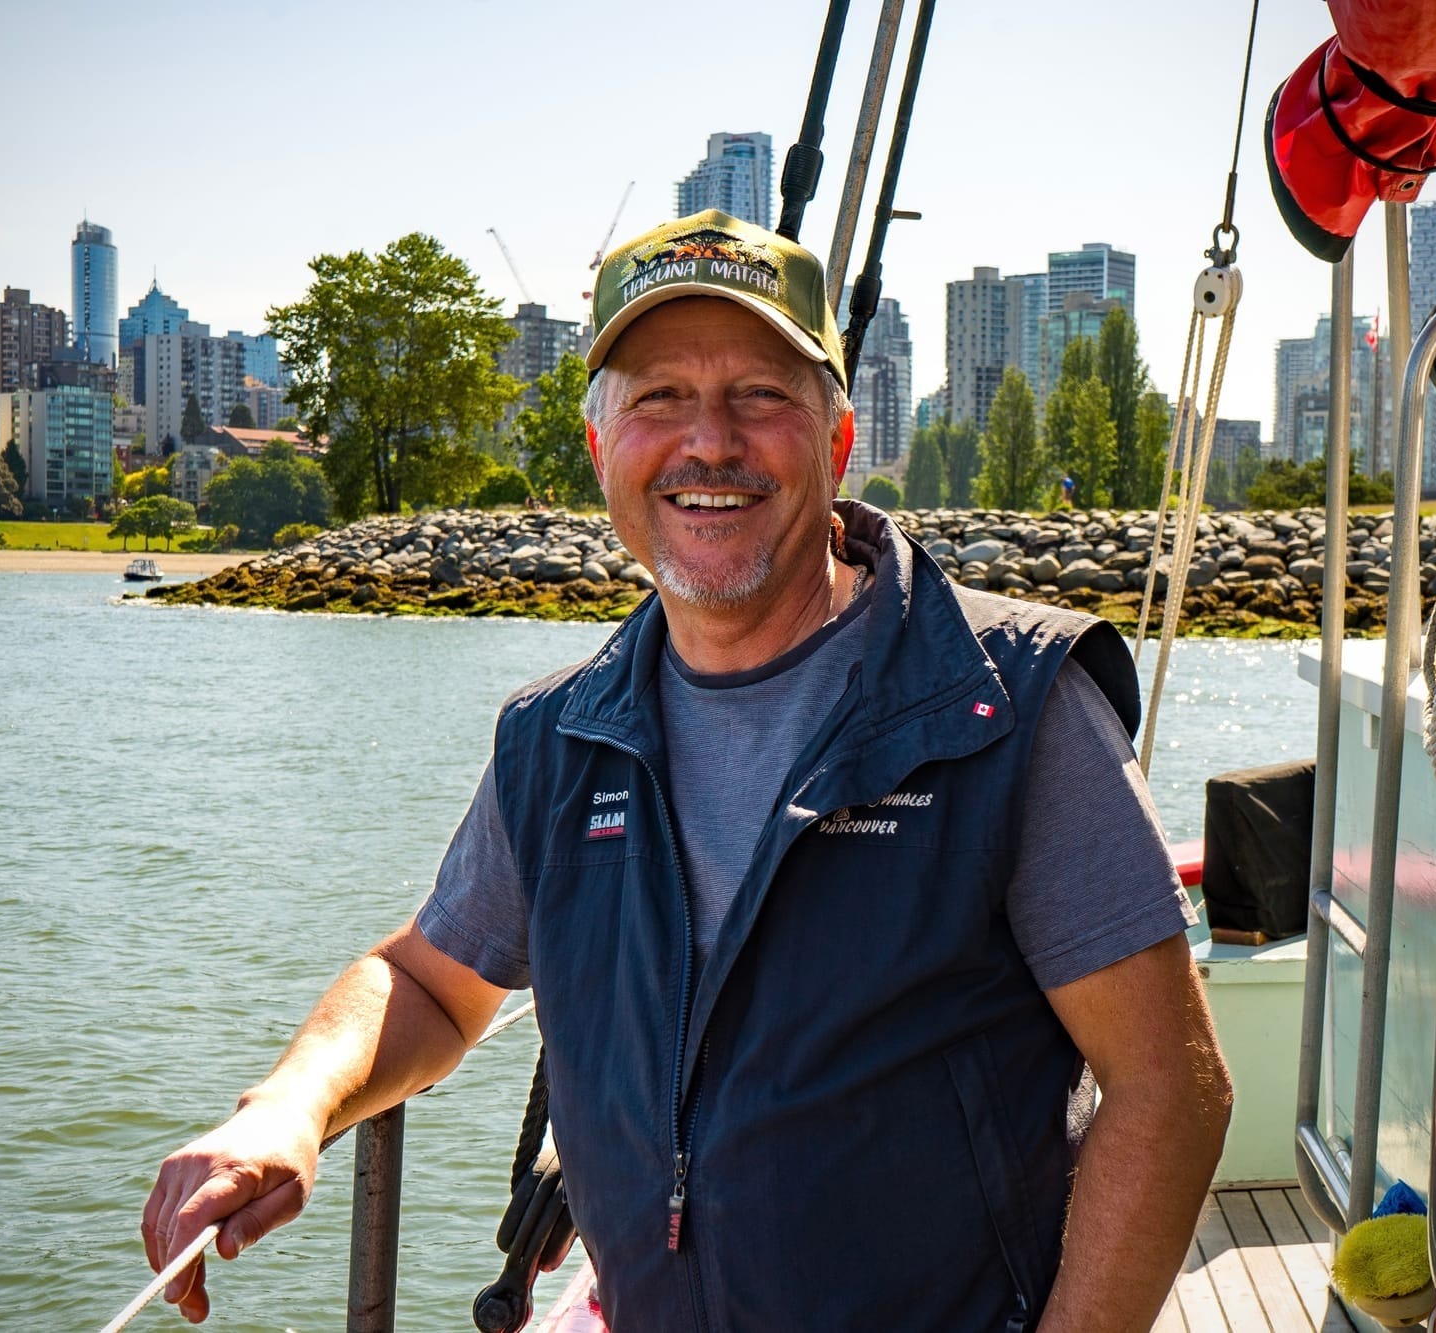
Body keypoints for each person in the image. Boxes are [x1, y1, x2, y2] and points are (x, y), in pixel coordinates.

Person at [143, 210, 1232, 1330]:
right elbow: (428, 981)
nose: (708, 441)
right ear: (600, 447)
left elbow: (1169, 1086)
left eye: (759, 393)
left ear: (838, 438)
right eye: (658, 397)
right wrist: (285, 1105)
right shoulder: (558, 739)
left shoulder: (1005, 704)